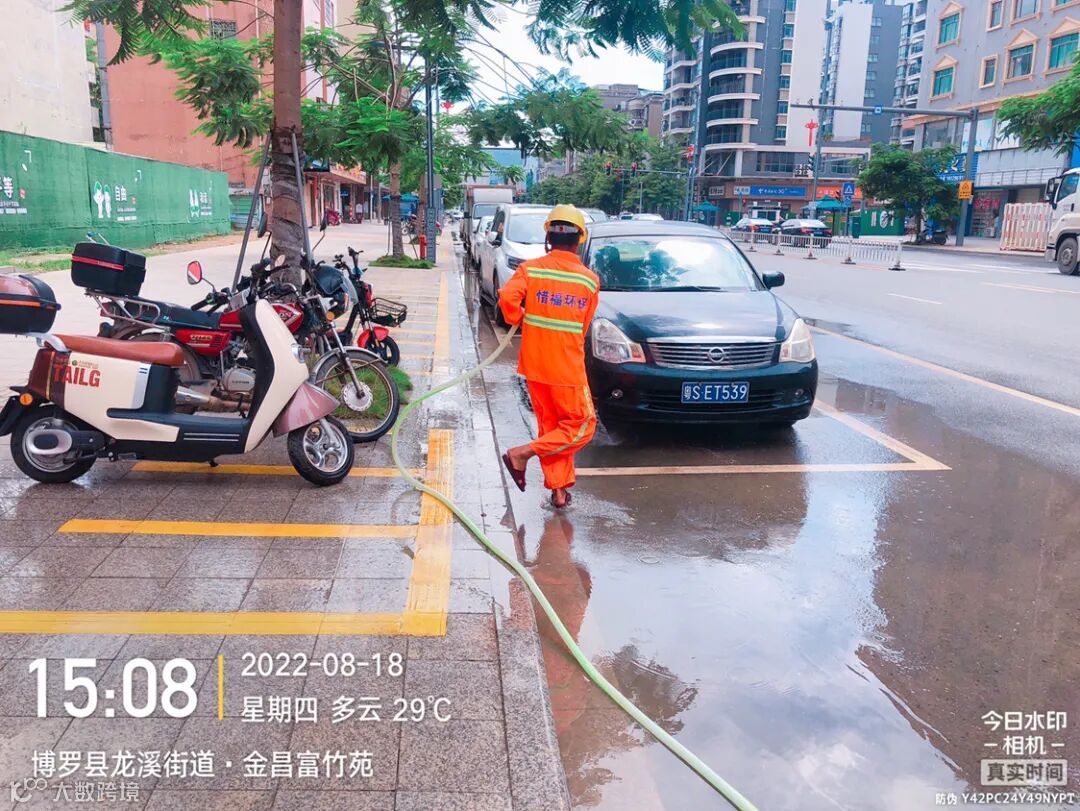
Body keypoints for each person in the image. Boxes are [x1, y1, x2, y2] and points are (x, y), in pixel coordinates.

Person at [498, 204, 600, 509]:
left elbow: (507, 298)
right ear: (579, 240)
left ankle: (559, 491)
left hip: (535, 367)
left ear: (548, 238)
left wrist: (520, 317)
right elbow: (583, 328)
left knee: (553, 429)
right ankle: (522, 454)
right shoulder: (588, 281)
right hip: (567, 369)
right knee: (582, 426)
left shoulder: (530, 270)